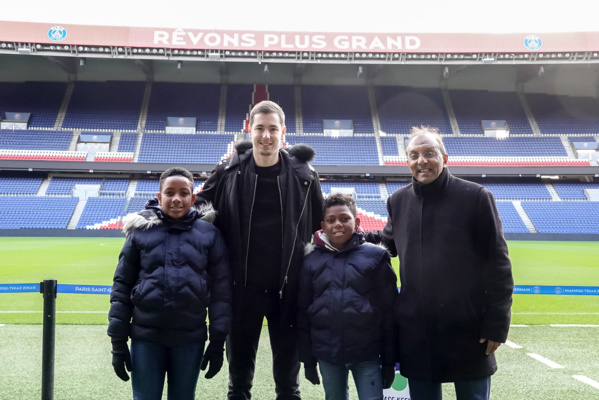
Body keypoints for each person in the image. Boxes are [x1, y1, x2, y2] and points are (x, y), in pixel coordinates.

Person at [365, 126, 514, 400]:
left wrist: (496, 323)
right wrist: (347, 236)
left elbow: (498, 265)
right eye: (414, 155)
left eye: (429, 153)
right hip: (416, 332)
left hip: (468, 330)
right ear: (407, 162)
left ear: (445, 158)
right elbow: (387, 242)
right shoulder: (397, 201)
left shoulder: (476, 197)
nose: (422, 160)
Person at [194, 100, 324, 400]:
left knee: (288, 386)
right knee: (238, 384)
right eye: (260, 128)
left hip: (288, 291)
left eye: (273, 129)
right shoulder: (228, 170)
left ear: (283, 132)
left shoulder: (304, 175)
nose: (266, 136)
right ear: (248, 130)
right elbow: (198, 206)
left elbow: (323, 225)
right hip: (241, 290)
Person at [108, 167, 232, 400]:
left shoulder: (209, 234)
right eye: (170, 192)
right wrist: (118, 341)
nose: (177, 198)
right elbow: (121, 287)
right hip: (146, 338)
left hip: (190, 338)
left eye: (184, 193)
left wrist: (217, 342)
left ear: (192, 198)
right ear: (159, 196)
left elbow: (221, 293)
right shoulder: (140, 233)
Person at [297, 193, 398, 400]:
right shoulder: (310, 261)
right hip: (327, 354)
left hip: (367, 354)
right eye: (331, 220)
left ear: (357, 221)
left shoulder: (376, 256)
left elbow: (390, 312)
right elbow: (303, 311)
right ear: (322, 225)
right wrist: (307, 360)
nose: (338, 225)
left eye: (344, 219)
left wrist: (389, 362)